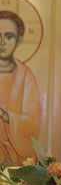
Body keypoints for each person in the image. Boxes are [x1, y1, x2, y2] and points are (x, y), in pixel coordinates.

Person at [0, 11, 42, 165]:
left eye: (9, 36)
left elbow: (33, 123)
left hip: (16, 158)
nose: (2, 42)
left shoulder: (26, 77)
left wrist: (6, 116)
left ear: (19, 40)